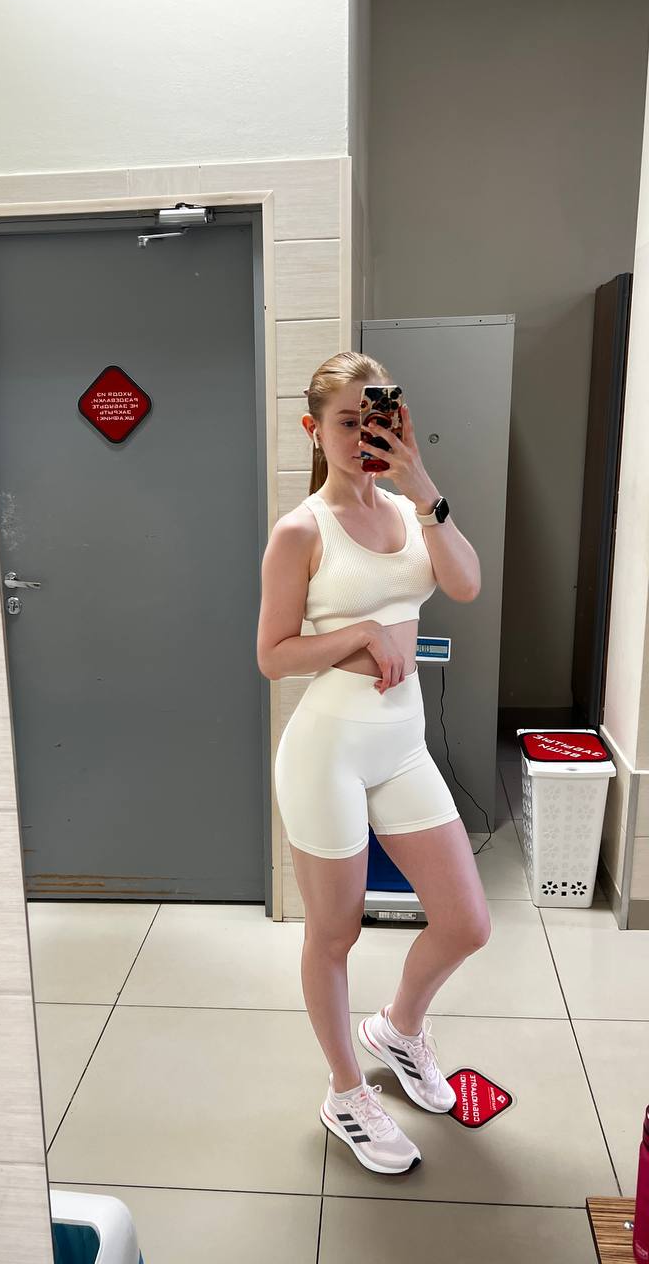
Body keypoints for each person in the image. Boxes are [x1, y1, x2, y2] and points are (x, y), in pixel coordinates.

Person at [256, 351, 491, 1176]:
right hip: (328, 752)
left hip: (401, 745)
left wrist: (424, 487)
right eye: (348, 422)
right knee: (335, 933)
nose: (363, 436)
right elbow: (272, 656)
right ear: (314, 429)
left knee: (466, 922)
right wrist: (358, 633)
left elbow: (464, 583)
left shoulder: (408, 509)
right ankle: (347, 1091)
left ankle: (397, 1029)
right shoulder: (301, 531)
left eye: (377, 419)